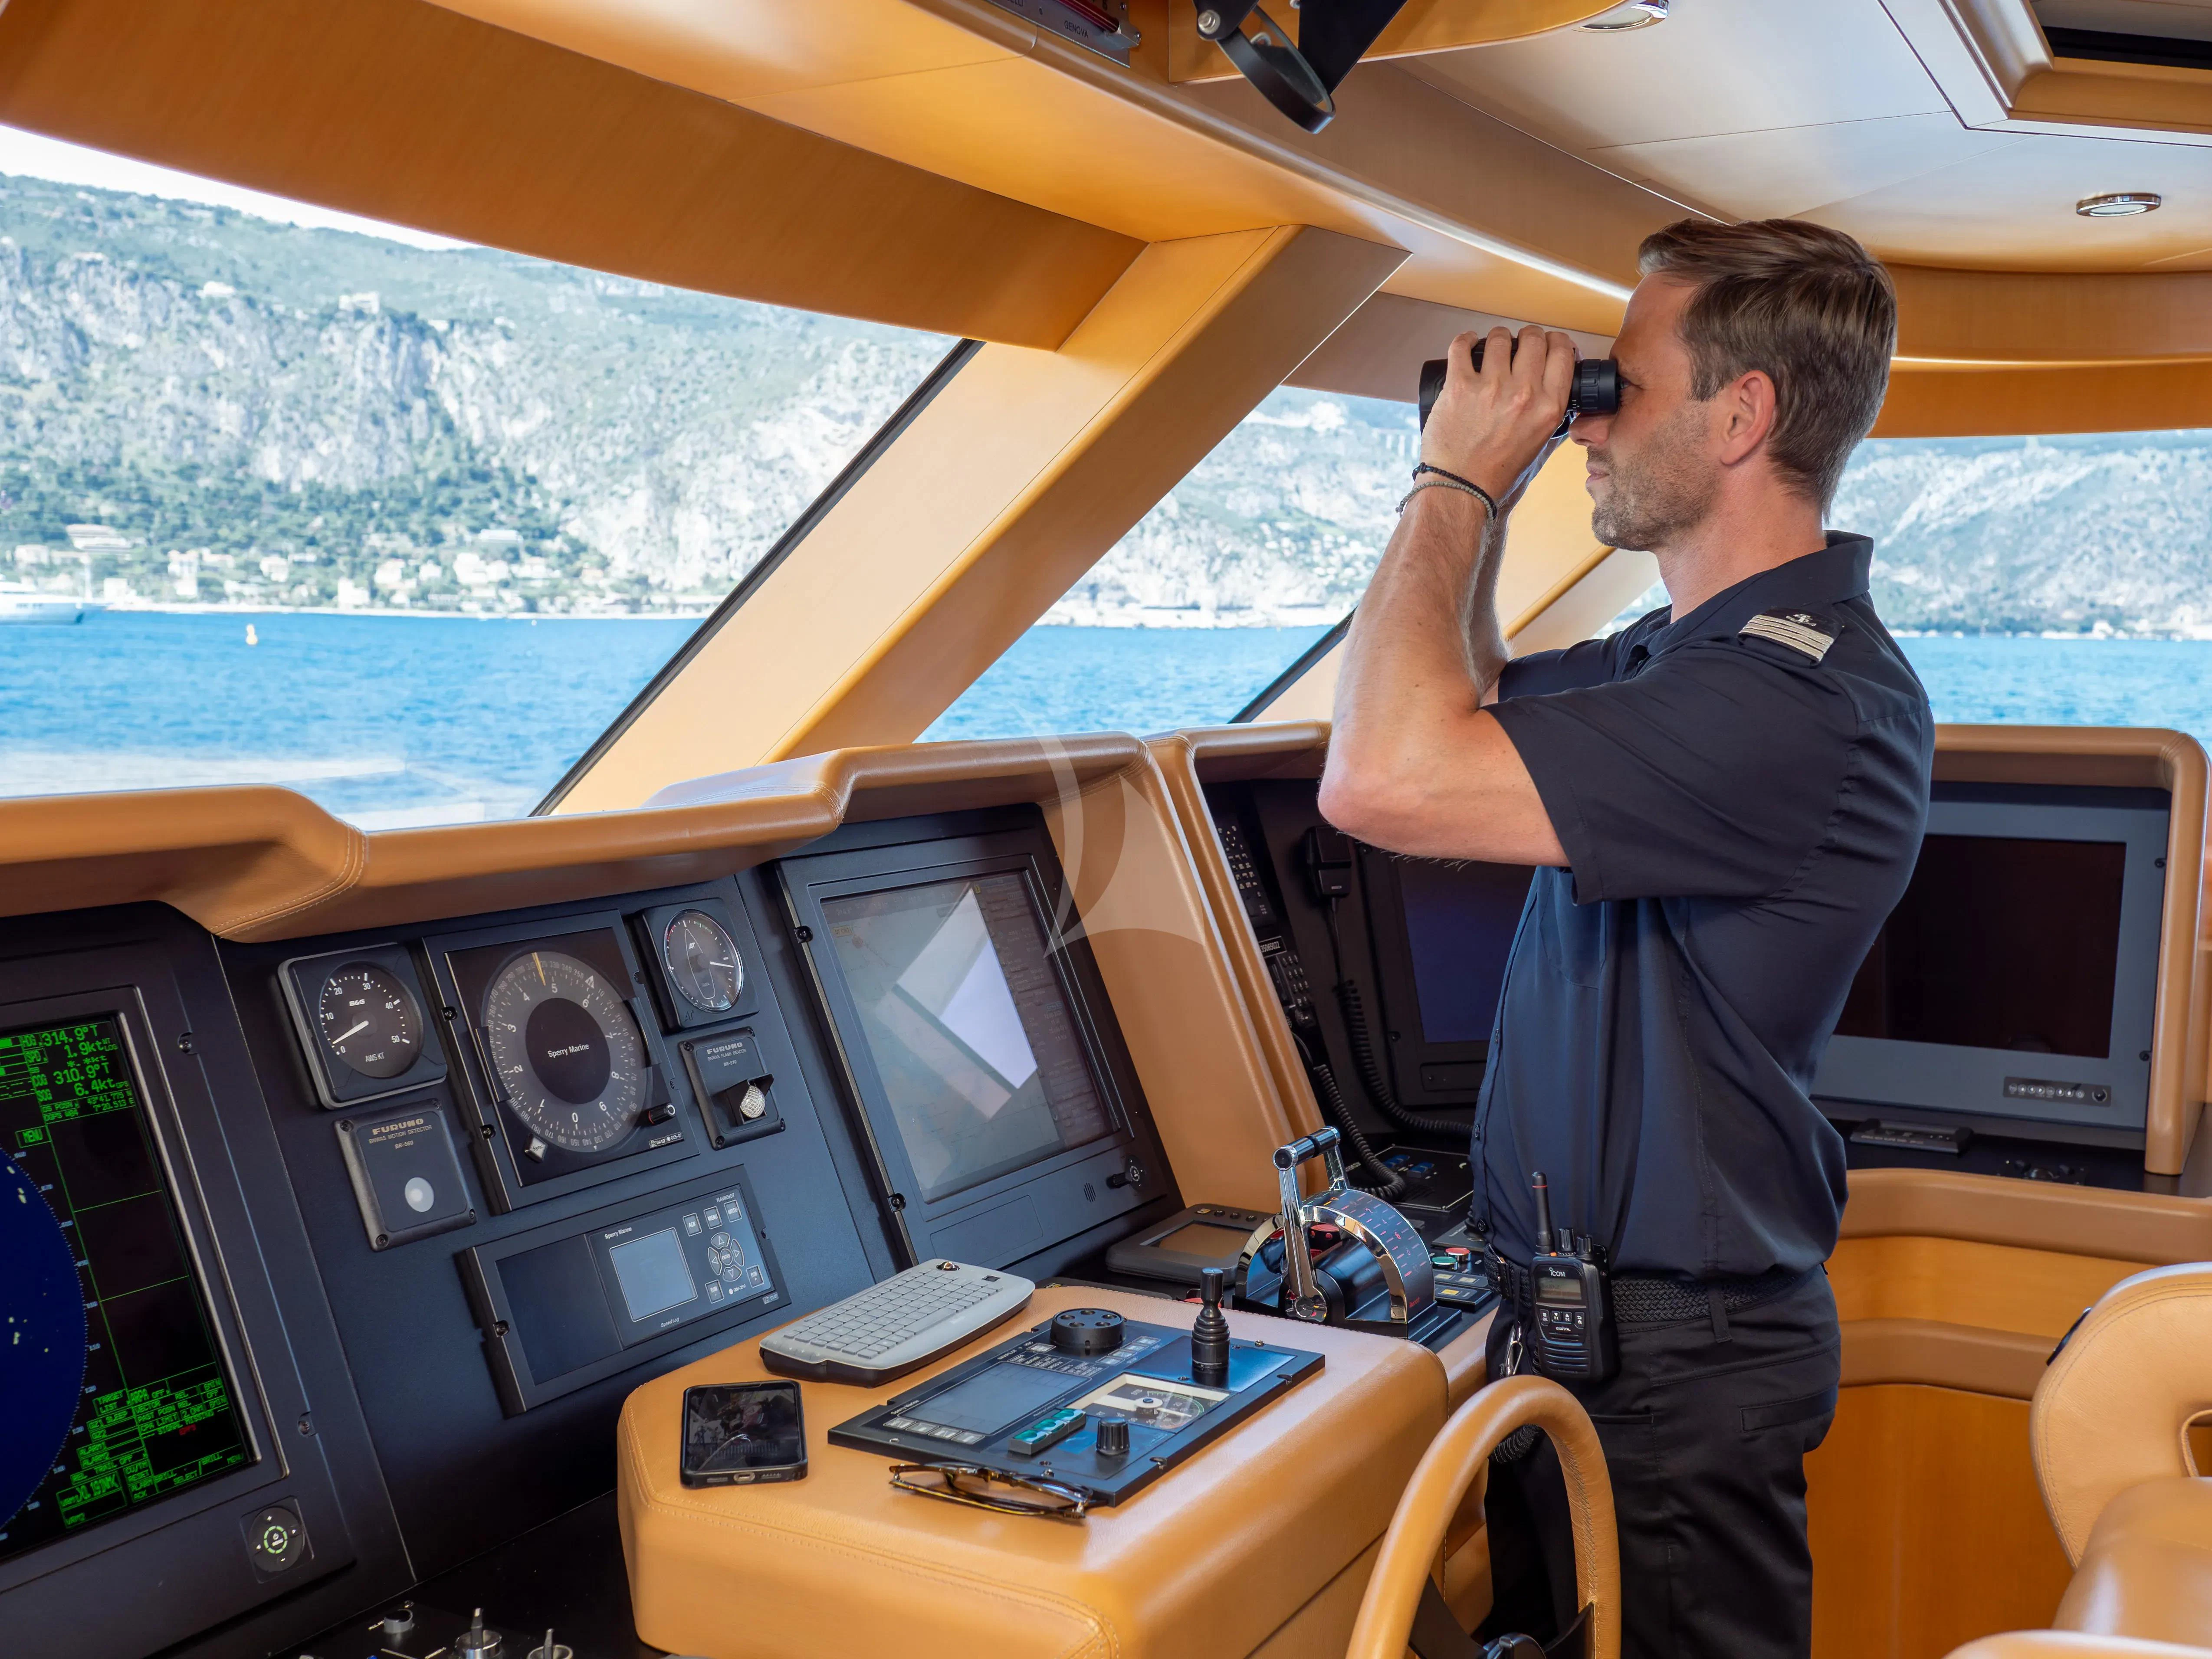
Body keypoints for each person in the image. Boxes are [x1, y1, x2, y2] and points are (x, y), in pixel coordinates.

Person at [1317, 217, 1933, 1657]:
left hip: (1678, 1355)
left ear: (1743, 416)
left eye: (1621, 392)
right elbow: (1463, 689)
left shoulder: (1791, 700)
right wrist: (1503, 480)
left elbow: (1383, 777)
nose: (1591, 424)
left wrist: (1457, 477)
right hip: (1586, 1329)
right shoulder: (1686, 659)